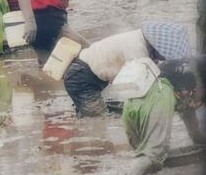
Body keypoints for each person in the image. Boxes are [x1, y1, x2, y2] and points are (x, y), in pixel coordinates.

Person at [63, 21, 193, 117]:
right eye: (163, 54)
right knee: (98, 119)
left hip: (87, 73)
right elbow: (138, 87)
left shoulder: (139, 38)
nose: (162, 58)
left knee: (90, 114)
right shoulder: (136, 50)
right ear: (157, 46)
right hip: (81, 78)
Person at [123, 55, 206, 175]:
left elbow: (194, 130)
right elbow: (191, 117)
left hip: (131, 102)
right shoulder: (173, 91)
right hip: (158, 98)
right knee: (153, 156)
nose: (195, 106)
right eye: (198, 103)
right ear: (189, 91)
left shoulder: (175, 75)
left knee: (143, 153)